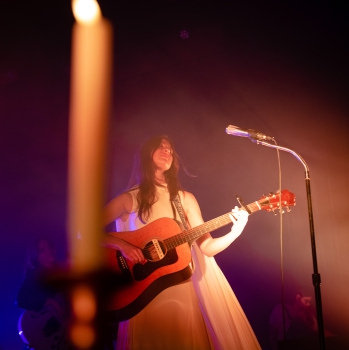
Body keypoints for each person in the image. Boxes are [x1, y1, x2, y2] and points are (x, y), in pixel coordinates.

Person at [103, 135, 261, 349]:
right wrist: (124, 246)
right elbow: (83, 231)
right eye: (160, 146)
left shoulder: (184, 199)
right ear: (145, 154)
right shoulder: (129, 199)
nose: (167, 150)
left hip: (182, 289)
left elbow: (207, 247)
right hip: (142, 292)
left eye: (170, 148)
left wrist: (235, 231)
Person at [16, 238, 70, 349]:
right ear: (35, 256)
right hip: (55, 332)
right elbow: (21, 300)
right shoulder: (34, 275)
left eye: (50, 246)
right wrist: (50, 301)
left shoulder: (61, 271)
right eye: (42, 250)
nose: (49, 251)